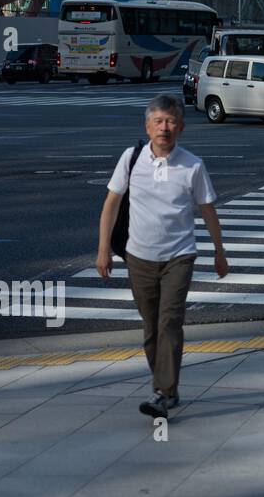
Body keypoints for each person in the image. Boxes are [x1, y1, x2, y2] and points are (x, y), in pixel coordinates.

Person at [96, 94, 229, 419]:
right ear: (148, 125)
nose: (164, 128)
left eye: (170, 122)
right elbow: (111, 203)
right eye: (158, 121)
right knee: (151, 326)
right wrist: (103, 250)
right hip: (138, 256)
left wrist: (219, 251)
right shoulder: (131, 158)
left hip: (179, 256)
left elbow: (208, 211)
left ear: (181, 127)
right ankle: (166, 386)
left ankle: (163, 392)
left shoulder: (193, 165)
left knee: (170, 321)